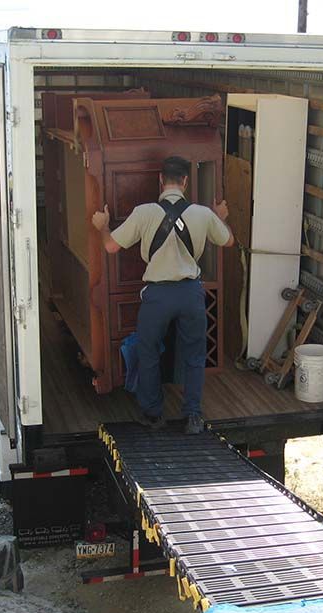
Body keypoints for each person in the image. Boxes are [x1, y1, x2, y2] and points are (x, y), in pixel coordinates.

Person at [91, 156, 234, 434]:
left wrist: (103, 226)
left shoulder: (144, 212)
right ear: (185, 182)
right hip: (191, 294)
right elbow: (228, 241)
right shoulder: (203, 214)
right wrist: (221, 217)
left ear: (160, 180)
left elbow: (110, 247)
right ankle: (193, 416)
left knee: (148, 352)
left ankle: (154, 414)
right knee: (194, 355)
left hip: (157, 296)